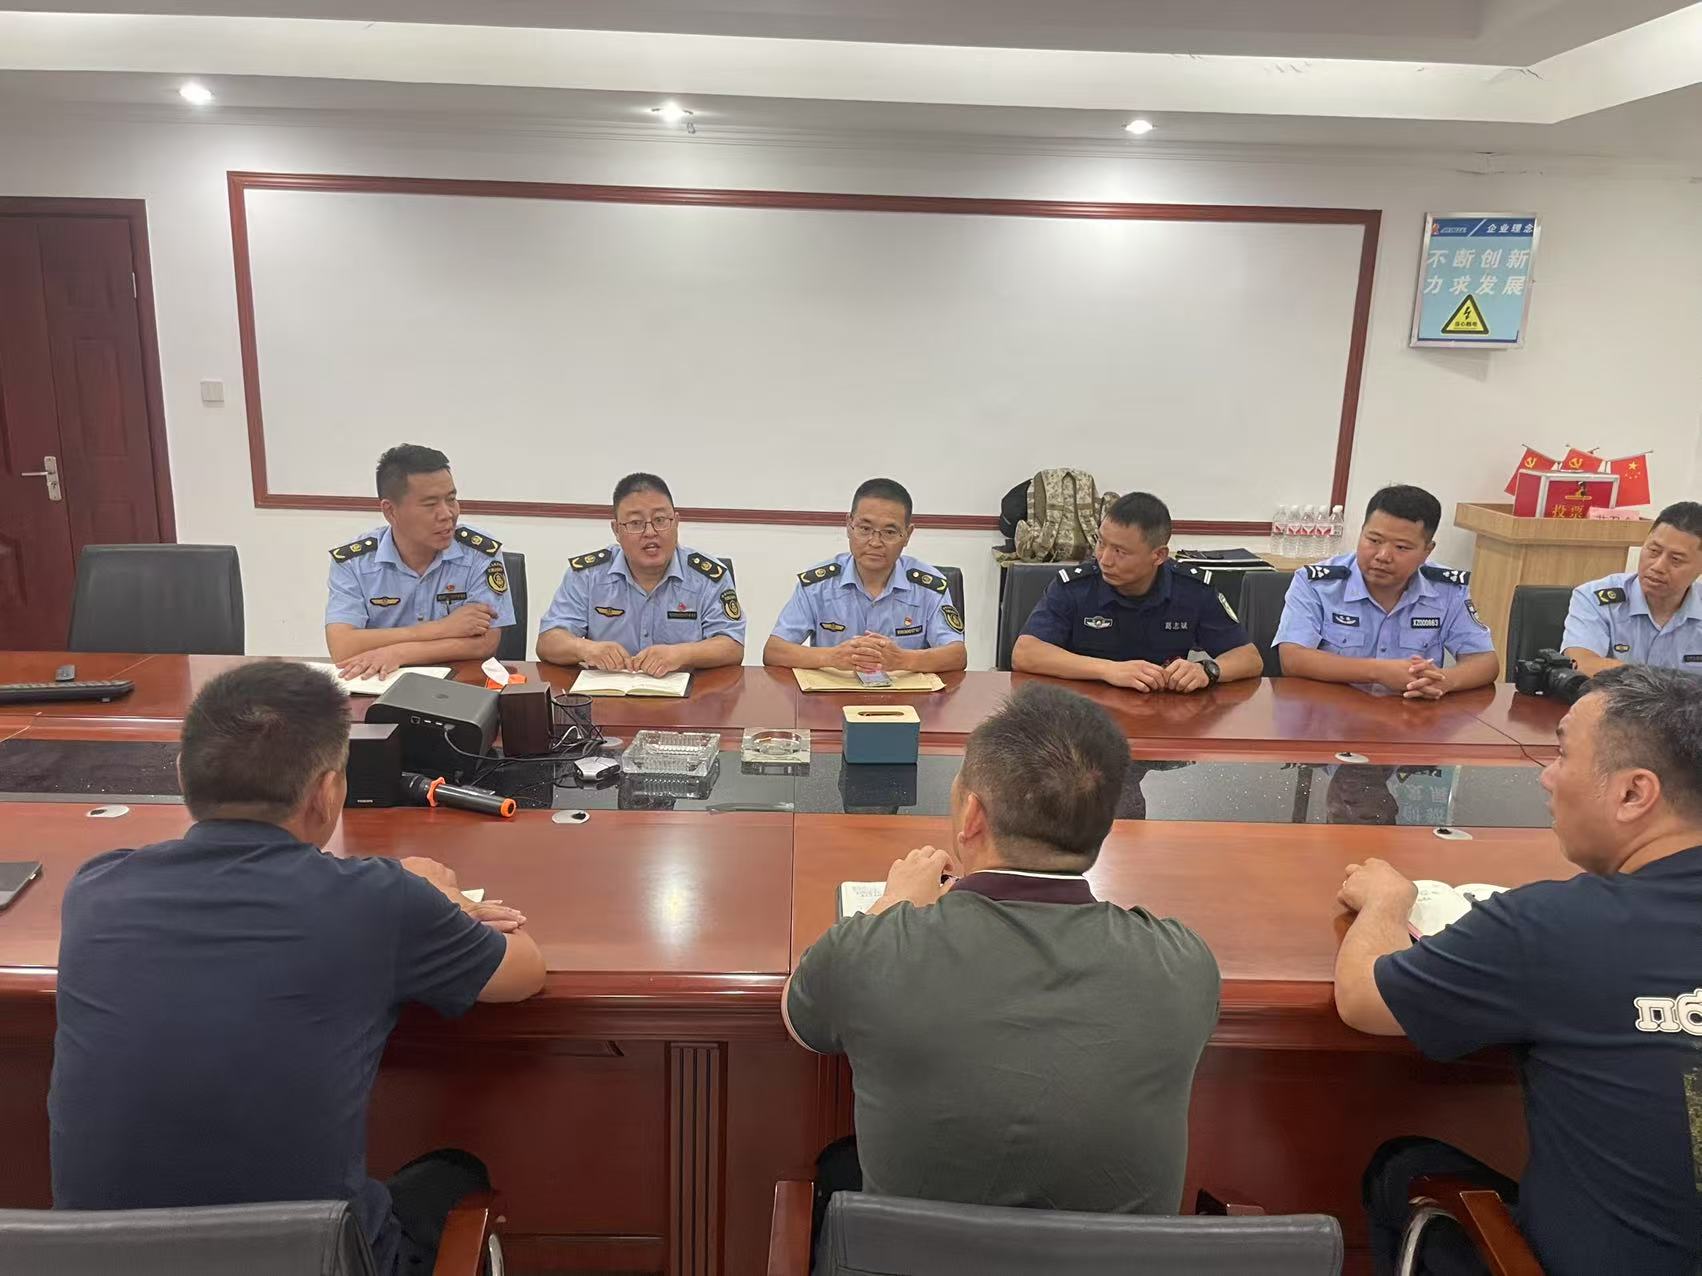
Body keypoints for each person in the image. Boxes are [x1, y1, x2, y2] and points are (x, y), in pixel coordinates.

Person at [49, 661, 546, 1275]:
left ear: (181, 774)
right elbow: (525, 971)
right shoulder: (380, 901)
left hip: (98, 1262)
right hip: (312, 1259)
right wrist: (444, 898)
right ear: (328, 791)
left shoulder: (98, 890)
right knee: (453, 1175)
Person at [784, 683, 1219, 1227]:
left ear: (972, 815)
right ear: (1107, 824)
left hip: (918, 1260)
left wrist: (892, 905)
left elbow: (799, 1017)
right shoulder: (1183, 963)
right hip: (1112, 1263)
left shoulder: (872, 951)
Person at [1334, 665, 1702, 1276]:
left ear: (1634, 794)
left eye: (1563, 755)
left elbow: (1363, 997)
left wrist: (1386, 903)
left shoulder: (1555, 927)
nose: (1546, 776)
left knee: (1404, 1170)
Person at [1012, 491, 1260, 692]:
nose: (1104, 559)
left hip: (1161, 717)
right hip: (1081, 715)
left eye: (1120, 552)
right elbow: (1025, 653)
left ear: (1158, 555)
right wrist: (1109, 670)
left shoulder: (1191, 589)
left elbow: (1248, 658)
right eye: (1101, 543)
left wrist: (1206, 670)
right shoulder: (1076, 586)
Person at [1274, 485, 1497, 699]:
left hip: (1412, 714)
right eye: (1374, 540)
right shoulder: (1316, 583)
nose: (1383, 556)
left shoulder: (1448, 590)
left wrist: (1444, 680)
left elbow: (1484, 661)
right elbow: (1292, 658)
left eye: (1401, 547)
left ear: (1427, 551)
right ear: (1361, 532)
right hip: (1332, 713)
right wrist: (1378, 671)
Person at [325, 444, 515, 680]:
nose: (447, 514)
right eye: (430, 504)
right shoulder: (353, 562)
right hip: (379, 682)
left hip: (459, 684)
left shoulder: (479, 552)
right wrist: (443, 628)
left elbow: (485, 643)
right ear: (390, 511)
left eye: (451, 499)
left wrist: (398, 653)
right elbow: (342, 646)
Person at [537, 473, 744, 676]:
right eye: (635, 523)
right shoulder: (588, 575)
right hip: (607, 694)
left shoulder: (707, 577)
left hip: (689, 694)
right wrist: (588, 649)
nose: (650, 532)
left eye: (660, 520)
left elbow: (732, 645)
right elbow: (548, 641)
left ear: (676, 522)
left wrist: (681, 654)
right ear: (616, 530)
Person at [765, 478, 967, 674]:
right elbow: (774, 651)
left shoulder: (928, 587)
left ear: (907, 535)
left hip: (906, 695)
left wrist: (902, 660)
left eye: (889, 532)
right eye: (865, 529)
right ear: (849, 525)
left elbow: (957, 655)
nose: (875, 542)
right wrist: (832, 657)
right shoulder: (818, 585)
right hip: (832, 694)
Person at [1562, 500, 1702, 676]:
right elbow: (1583, 665)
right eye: (1654, 551)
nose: (1658, 566)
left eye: (1676, 560)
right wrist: (1662, 685)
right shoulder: (1593, 598)